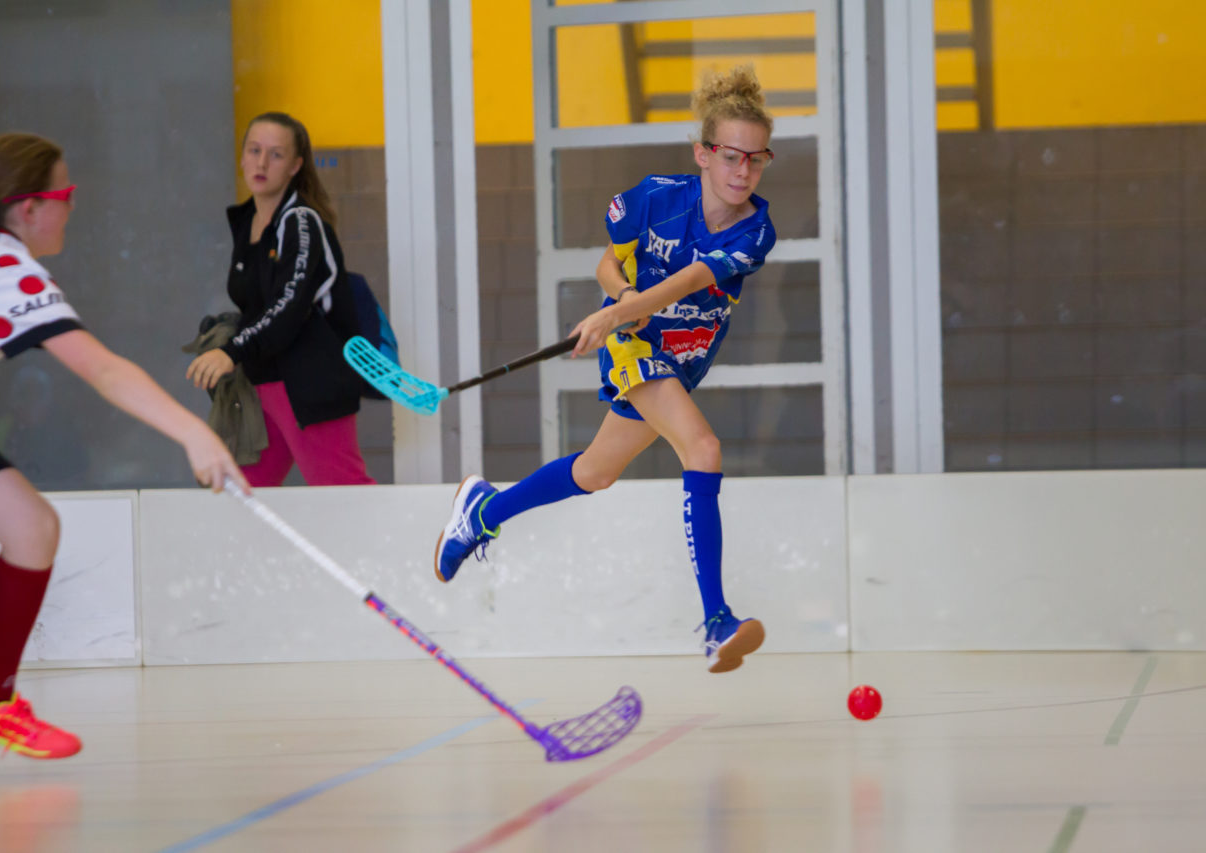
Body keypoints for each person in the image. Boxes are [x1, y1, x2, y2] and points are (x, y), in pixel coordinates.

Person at [435, 65, 777, 673]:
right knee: (702, 447)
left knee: (595, 472)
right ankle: (717, 620)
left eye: (756, 158)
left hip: (679, 354)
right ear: (702, 154)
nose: (743, 170)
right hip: (638, 348)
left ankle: (481, 513)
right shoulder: (653, 199)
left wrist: (622, 309)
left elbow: (691, 280)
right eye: (730, 156)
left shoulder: (757, 229)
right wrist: (618, 304)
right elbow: (607, 266)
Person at [0, 132, 250, 759]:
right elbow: (102, 369)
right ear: (29, 206)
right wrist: (193, 431)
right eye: (66, 194)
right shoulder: (6, 265)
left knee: (30, 529)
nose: (72, 207)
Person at [185, 112, 374, 487]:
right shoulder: (247, 222)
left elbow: (289, 306)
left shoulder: (301, 222)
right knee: (241, 496)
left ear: (295, 166)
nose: (261, 162)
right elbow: (257, 306)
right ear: (241, 158)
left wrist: (232, 351)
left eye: (275, 154)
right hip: (261, 385)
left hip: (309, 386)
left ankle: (403, 548)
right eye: (254, 150)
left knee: (345, 497)